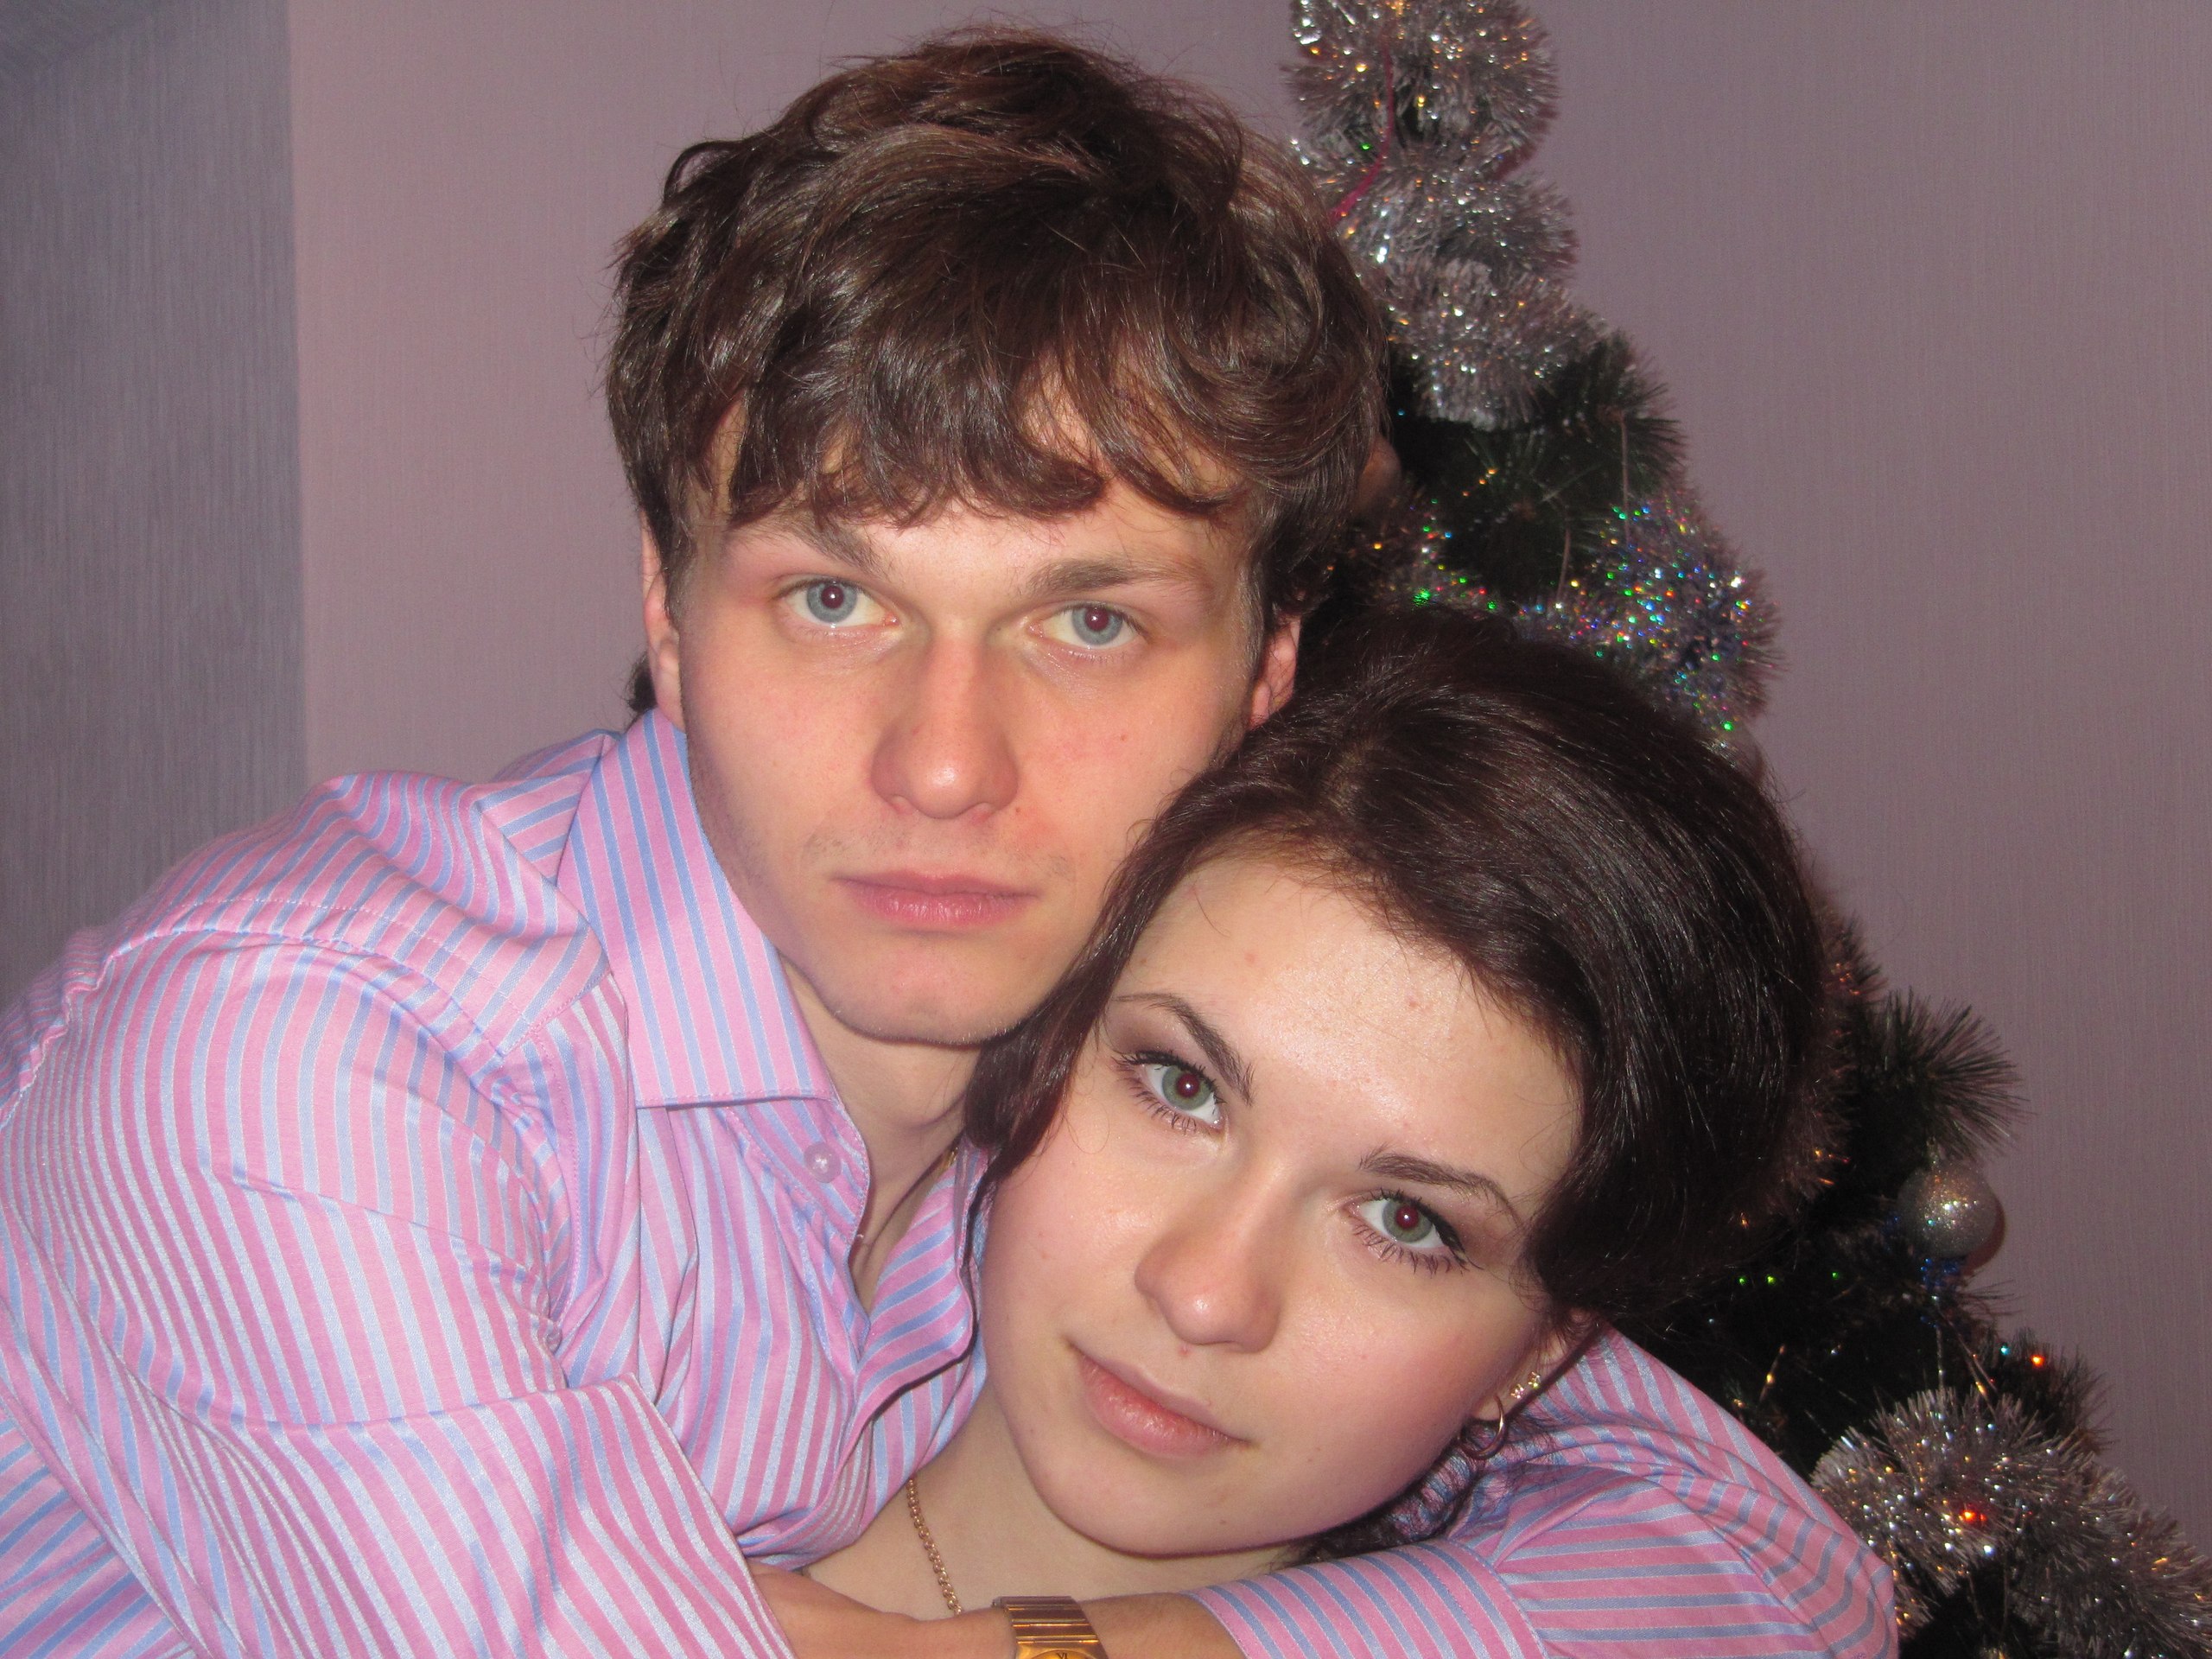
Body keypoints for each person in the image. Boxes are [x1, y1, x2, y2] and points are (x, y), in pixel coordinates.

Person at [0, 29, 1884, 1659]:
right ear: (667, 609)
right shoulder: (293, 1070)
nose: (946, 767)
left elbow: (1769, 1571)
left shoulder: (1116, 1069)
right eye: (833, 599)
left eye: (1090, 622)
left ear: (1264, 674)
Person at [785, 611, 1891, 1651]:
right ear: (1051, 1035)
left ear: (1543, 1353)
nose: (1205, 1295)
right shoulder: (695, 1431)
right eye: (1181, 1087)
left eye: (1405, 1221)